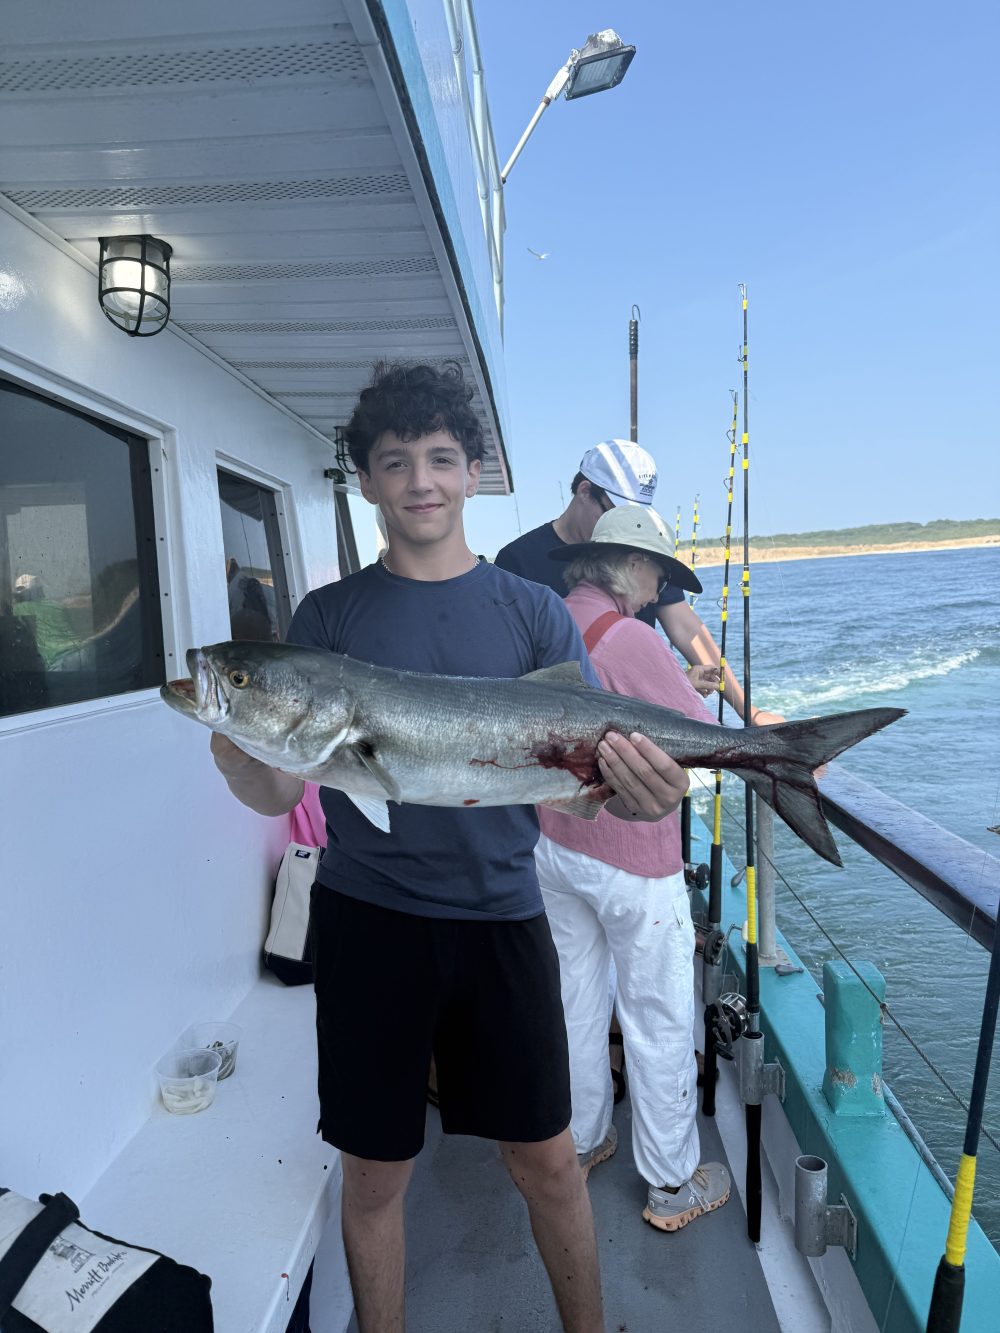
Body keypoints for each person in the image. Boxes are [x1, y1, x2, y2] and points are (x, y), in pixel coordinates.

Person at [209, 362, 690, 1333]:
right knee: (375, 1171)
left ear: (472, 472)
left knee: (548, 1161)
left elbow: (583, 794)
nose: (419, 479)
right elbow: (278, 784)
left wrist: (648, 794)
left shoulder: (531, 611)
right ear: (368, 482)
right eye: (394, 462)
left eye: (439, 457)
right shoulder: (328, 620)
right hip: (367, 924)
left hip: (504, 917)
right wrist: (240, 744)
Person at [535, 503, 731, 1231]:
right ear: (627, 565)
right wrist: (694, 690)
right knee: (655, 1016)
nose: (657, 590)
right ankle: (673, 1184)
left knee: (574, 1004)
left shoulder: (551, 617)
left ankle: (583, 1140)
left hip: (553, 847)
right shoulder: (636, 638)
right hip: (632, 860)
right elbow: (703, 741)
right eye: (655, 571)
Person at [494, 440, 784, 725]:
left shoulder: (644, 556)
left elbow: (687, 627)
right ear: (585, 491)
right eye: (616, 511)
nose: (656, 595)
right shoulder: (517, 561)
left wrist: (748, 712)